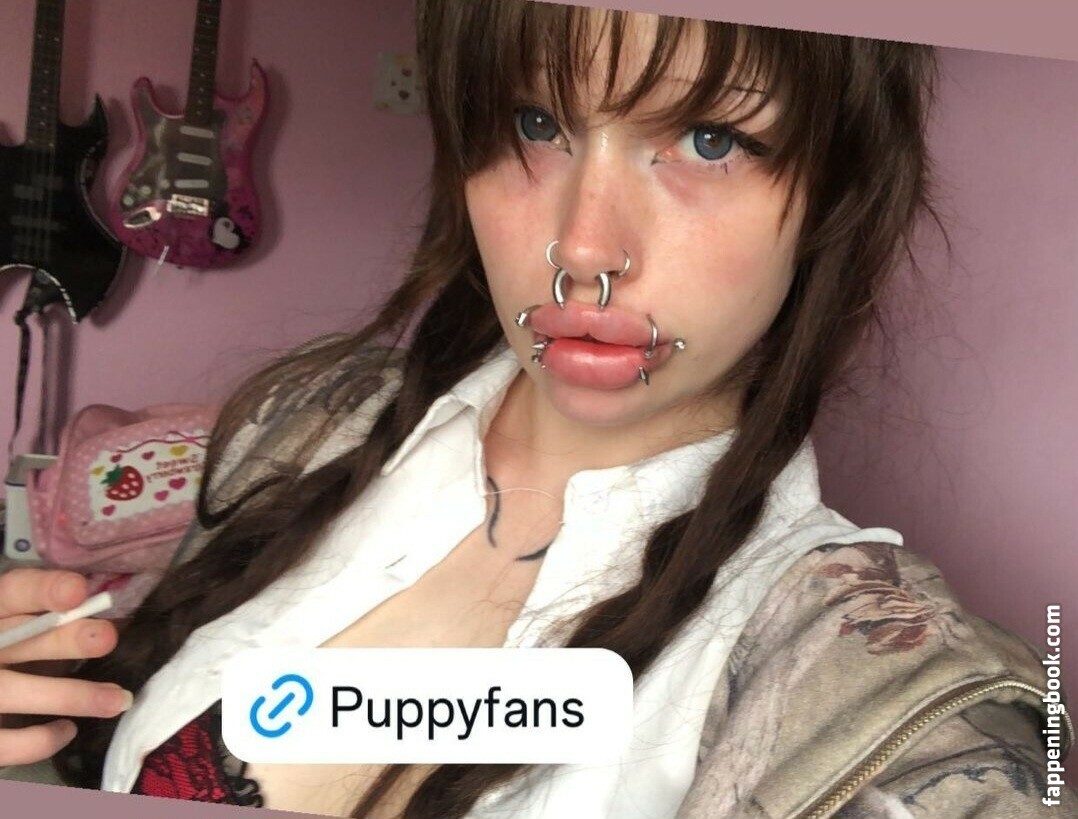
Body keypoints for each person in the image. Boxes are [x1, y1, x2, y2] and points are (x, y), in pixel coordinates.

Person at [1, 1, 1075, 817]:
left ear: (836, 191)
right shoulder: (302, 424)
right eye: (536, 122)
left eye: (708, 138)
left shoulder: (872, 683)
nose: (583, 248)